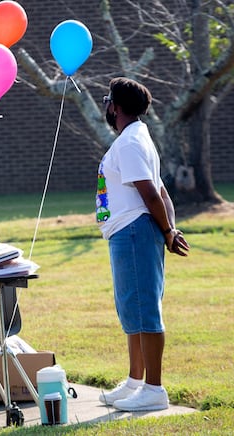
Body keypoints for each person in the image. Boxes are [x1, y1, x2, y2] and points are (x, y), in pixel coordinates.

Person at [95, 77, 190, 411]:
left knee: (145, 310)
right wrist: (170, 228)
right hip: (127, 231)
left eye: (108, 99)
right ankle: (136, 381)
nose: (106, 105)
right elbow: (161, 192)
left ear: (116, 107)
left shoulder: (132, 142)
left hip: (135, 230)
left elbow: (152, 193)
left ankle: (154, 389)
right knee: (132, 309)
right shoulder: (134, 139)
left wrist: (167, 231)